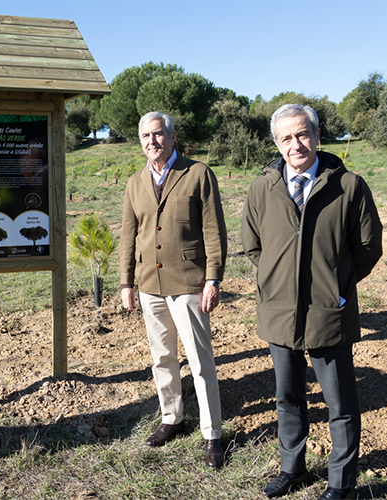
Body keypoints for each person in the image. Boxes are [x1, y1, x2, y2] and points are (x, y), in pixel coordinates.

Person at [242, 104, 383, 500]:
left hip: (328, 312)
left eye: (303, 134)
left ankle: (342, 484)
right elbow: (254, 247)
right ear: (276, 143)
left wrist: (335, 286)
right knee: (288, 398)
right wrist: (276, 283)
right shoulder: (261, 188)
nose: (296, 144)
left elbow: (368, 247)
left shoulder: (349, 186)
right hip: (278, 314)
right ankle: (293, 469)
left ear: (318, 136)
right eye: (286, 138)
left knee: (339, 403)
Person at [119, 111, 227, 468]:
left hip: (189, 283)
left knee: (199, 361)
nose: (153, 141)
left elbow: (214, 230)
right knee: (162, 358)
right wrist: (126, 282)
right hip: (150, 284)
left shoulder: (198, 174)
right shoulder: (135, 183)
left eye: (158, 134)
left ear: (172, 135)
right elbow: (128, 236)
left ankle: (213, 434)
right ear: (140, 142)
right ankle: (172, 418)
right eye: (146, 137)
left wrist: (212, 279)